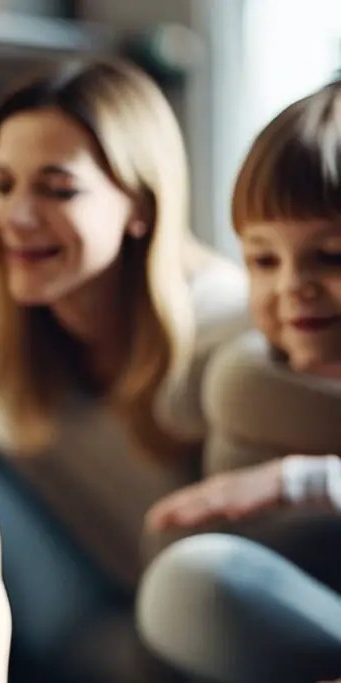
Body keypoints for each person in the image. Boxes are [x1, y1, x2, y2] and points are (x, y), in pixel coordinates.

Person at [0, 58, 251, 683]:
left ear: (140, 205)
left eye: (57, 189)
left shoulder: (232, 334)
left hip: (209, 636)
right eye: (1, 185)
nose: (15, 217)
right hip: (89, 623)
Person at [137, 79, 341, 683]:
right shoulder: (247, 376)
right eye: (263, 259)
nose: (290, 285)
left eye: (330, 256)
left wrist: (299, 480)